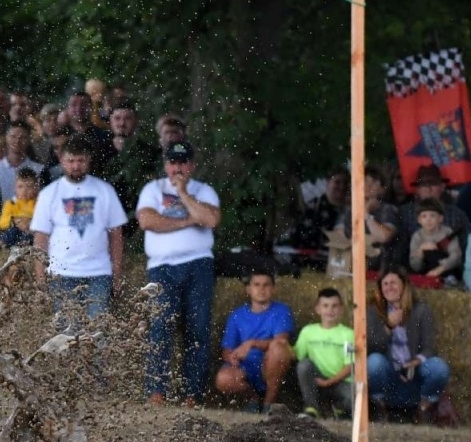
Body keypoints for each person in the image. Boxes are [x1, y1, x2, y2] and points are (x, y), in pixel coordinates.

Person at [136, 141, 221, 404]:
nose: (178, 168)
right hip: (161, 267)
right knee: (160, 327)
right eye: (173, 162)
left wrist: (183, 194)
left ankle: (192, 394)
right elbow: (147, 221)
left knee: (197, 328)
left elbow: (210, 220)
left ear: (191, 165)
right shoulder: (152, 189)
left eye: (183, 162)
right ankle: (156, 392)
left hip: (199, 265)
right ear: (166, 165)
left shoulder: (204, 190)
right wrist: (187, 221)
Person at [30, 136, 126, 323]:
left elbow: (116, 235)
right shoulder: (49, 193)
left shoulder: (105, 191)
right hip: (61, 274)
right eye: (71, 161)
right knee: (66, 336)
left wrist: (117, 273)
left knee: (98, 334)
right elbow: (41, 237)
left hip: (99, 273)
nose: (76, 166)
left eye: (80, 160)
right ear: (62, 161)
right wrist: (40, 277)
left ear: (88, 160)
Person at [366, 269, 450, 420]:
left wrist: (414, 362)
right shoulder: (373, 311)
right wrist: (389, 325)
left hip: (414, 373)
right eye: (385, 284)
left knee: (439, 367)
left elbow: (429, 347)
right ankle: (380, 407)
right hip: (389, 373)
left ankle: (424, 408)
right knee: (374, 362)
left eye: (393, 283)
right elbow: (371, 347)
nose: (389, 287)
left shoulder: (421, 310)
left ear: (404, 286)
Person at [214, 271, 295, 411]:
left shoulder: (282, 311)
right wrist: (232, 357)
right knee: (223, 379)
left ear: (274, 289)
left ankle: (268, 405)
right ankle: (252, 399)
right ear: (248, 289)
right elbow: (227, 350)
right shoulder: (236, 315)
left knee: (279, 348)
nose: (261, 289)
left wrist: (251, 343)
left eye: (266, 285)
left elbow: (281, 341)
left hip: (269, 364)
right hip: (246, 367)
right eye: (256, 285)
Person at [294, 287, 354, 418]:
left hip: (340, 381)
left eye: (334, 306)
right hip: (318, 379)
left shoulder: (349, 334)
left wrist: (329, 382)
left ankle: (338, 409)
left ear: (341, 309)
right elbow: (297, 356)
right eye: (325, 306)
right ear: (318, 309)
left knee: (352, 396)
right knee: (304, 365)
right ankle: (312, 408)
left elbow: (350, 366)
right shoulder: (308, 332)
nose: (330, 310)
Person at [408, 198, 462, 280]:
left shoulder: (447, 232)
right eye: (424, 216)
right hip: (426, 270)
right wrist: (421, 250)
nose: (428, 220)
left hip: (445, 268)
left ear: (440, 218)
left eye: (432, 215)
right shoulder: (417, 236)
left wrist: (439, 270)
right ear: (419, 220)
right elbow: (415, 266)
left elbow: (456, 256)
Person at [0, 167, 39, 247]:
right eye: (20, 186)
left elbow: (43, 221)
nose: (24, 190)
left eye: (29, 186)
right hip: (15, 231)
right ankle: (3, 245)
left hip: (30, 231)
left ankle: (23, 246)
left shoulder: (39, 204)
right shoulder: (10, 203)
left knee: (29, 233)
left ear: (36, 188)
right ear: (15, 188)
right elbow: (2, 223)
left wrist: (29, 222)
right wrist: (15, 221)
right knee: (12, 231)